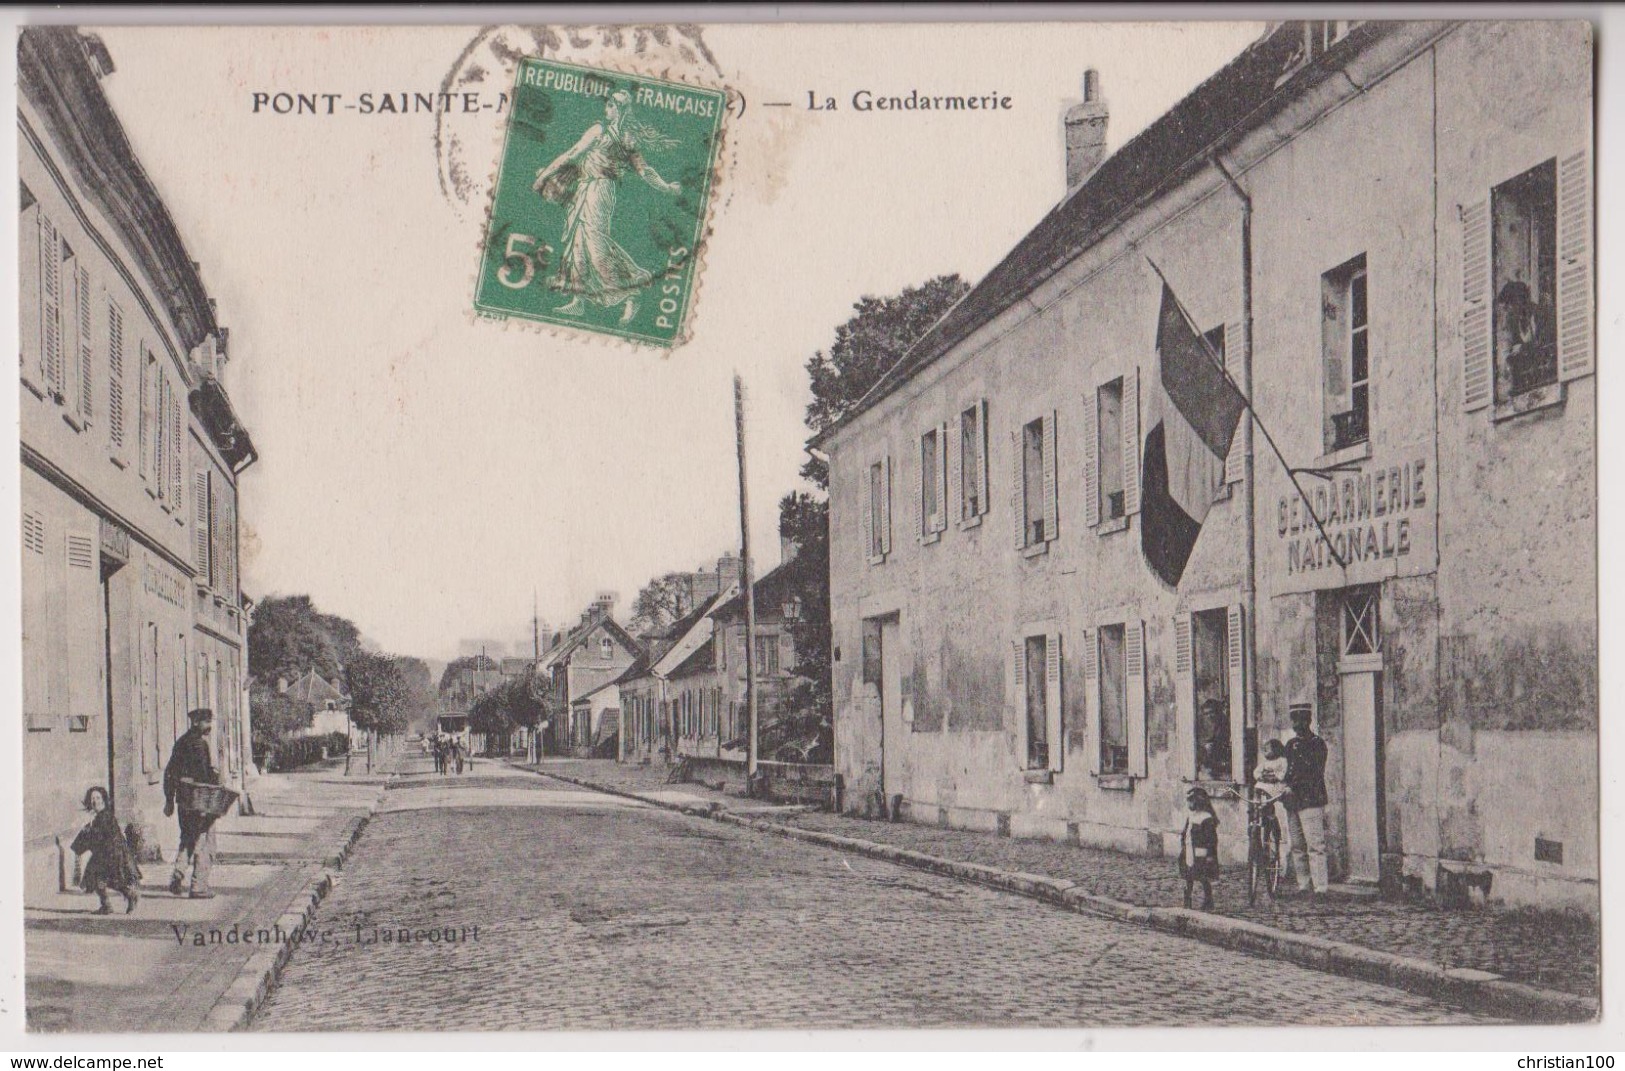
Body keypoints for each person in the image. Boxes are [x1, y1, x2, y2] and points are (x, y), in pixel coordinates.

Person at [531, 88, 683, 325]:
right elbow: (642, 170)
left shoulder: (612, 135)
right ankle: (578, 301)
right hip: (585, 188)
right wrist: (666, 187)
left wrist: (666, 188)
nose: (606, 109)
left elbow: (573, 154)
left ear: (617, 108)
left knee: (595, 242)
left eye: (610, 105)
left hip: (600, 190)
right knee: (577, 241)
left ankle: (630, 292)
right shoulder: (618, 135)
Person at [164, 708, 220, 899]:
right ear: (196, 722)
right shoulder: (199, 745)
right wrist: (215, 782)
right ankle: (198, 886)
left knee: (187, 838)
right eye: (206, 722)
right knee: (205, 844)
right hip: (200, 801)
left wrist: (169, 800)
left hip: (183, 801)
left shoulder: (180, 743)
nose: (209, 726)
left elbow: (170, 772)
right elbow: (204, 777)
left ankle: (178, 875)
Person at [1283, 705, 1330, 894]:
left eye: (1302, 720)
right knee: (1297, 845)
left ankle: (1321, 887)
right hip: (1292, 801)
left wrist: (1292, 785)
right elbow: (1288, 770)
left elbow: (1313, 772)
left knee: (1315, 845)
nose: (1297, 724)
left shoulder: (1317, 744)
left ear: (1309, 721)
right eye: (1294, 720)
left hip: (1311, 799)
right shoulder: (1290, 745)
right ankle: (1303, 884)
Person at [71, 787, 141, 914]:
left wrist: (89, 832)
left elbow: (102, 836)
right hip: (105, 853)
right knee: (102, 880)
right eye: (92, 798)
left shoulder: (105, 816)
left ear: (103, 800)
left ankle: (123, 899)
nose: (95, 801)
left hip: (111, 853)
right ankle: (120, 900)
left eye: (98, 798)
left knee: (104, 879)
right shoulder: (98, 817)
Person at [1179, 786, 1220, 910]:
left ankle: (1208, 900)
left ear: (1198, 801)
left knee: (1203, 877)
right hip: (1189, 850)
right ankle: (1187, 900)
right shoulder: (1191, 816)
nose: (1189, 804)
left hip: (1201, 853)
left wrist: (1210, 855)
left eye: (1191, 801)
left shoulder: (1206, 818)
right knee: (1188, 876)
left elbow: (1212, 839)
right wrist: (1183, 845)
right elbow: (1185, 832)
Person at [1251, 738, 1290, 851]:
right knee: (1257, 788)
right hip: (1264, 783)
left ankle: (1265, 805)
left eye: (1267, 750)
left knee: (1269, 797)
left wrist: (1274, 777)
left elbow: (1283, 773)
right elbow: (1256, 772)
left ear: (1276, 750)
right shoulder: (1265, 763)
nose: (1265, 753)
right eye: (1264, 750)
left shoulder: (1282, 761)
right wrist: (1260, 776)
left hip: (1274, 785)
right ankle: (1256, 805)